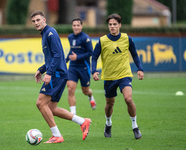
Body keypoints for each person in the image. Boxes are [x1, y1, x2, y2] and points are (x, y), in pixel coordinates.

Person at [31, 11, 91, 143]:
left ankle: (57, 135)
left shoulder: (50, 33)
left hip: (57, 74)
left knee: (40, 103)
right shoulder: (46, 34)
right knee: (52, 108)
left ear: (44, 20)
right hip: (60, 74)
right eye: (34, 21)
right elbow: (52, 58)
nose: (36, 23)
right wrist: (41, 69)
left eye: (38, 20)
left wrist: (49, 73)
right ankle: (83, 121)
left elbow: (58, 55)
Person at [92, 13, 144, 139]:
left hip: (124, 74)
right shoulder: (102, 40)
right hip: (109, 77)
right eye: (110, 24)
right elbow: (94, 57)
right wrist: (93, 71)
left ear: (120, 25)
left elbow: (135, 55)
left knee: (128, 99)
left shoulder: (127, 38)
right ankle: (108, 123)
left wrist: (140, 69)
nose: (112, 26)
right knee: (110, 105)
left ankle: (135, 126)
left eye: (115, 24)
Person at [65, 18, 96, 115]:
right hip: (73, 67)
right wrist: (65, 60)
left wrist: (77, 57)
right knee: (70, 89)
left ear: (81, 26)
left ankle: (90, 96)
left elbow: (90, 52)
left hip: (84, 68)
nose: (76, 27)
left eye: (78, 25)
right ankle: (73, 114)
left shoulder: (86, 38)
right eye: (74, 25)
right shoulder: (70, 37)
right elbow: (72, 50)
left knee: (85, 91)